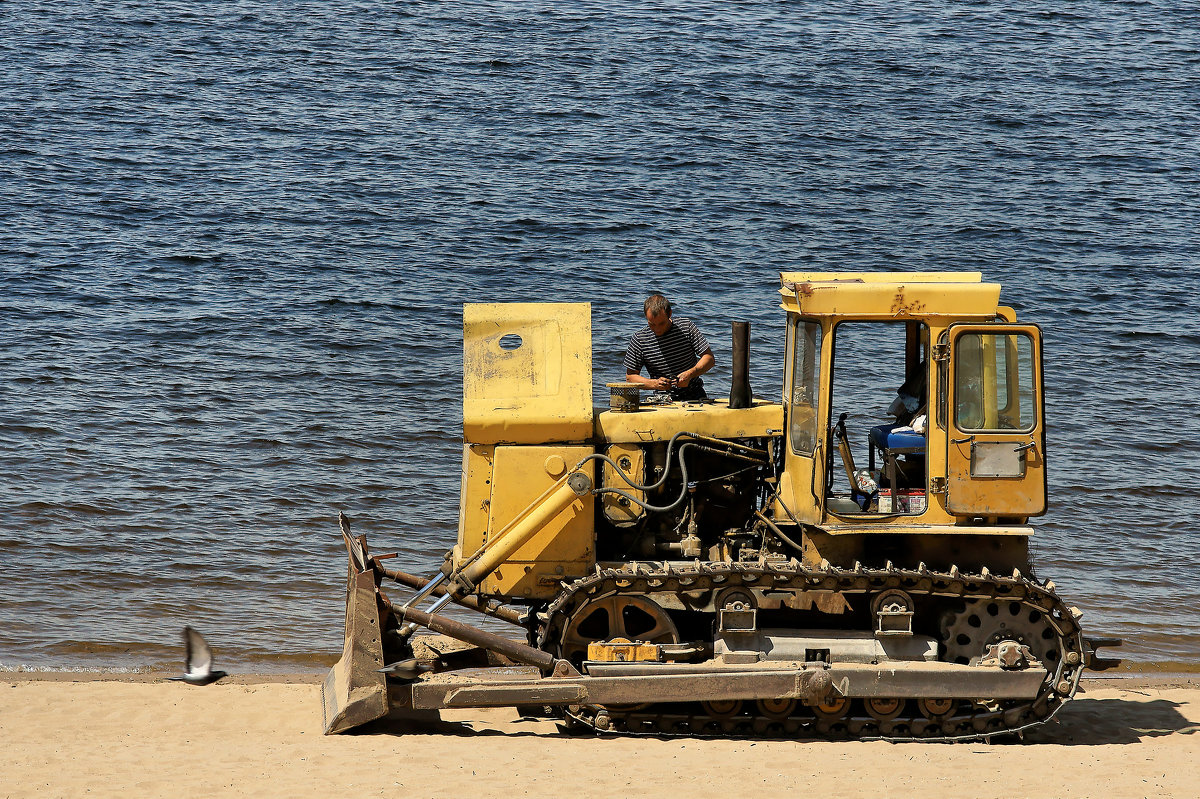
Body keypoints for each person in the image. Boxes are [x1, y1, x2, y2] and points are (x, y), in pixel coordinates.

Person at [624, 294, 715, 401]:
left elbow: (709, 359)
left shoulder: (686, 327)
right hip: (662, 398)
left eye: (661, 323)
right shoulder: (639, 339)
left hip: (694, 393)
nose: (657, 329)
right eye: (651, 324)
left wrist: (690, 374)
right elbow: (630, 378)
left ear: (670, 314)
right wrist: (655, 384)